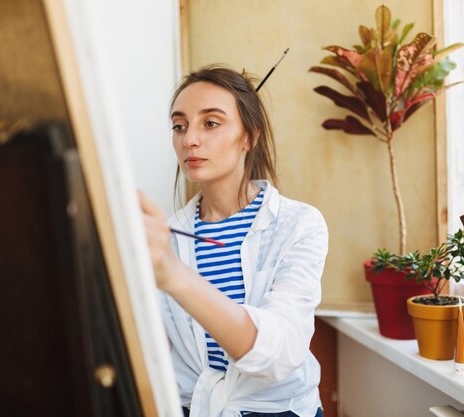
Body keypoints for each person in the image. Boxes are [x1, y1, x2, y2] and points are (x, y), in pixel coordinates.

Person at [139, 65, 328, 417]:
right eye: (179, 126)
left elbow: (281, 354)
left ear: (248, 137)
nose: (189, 140)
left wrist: (175, 277)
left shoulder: (299, 224)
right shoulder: (166, 237)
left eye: (210, 123)